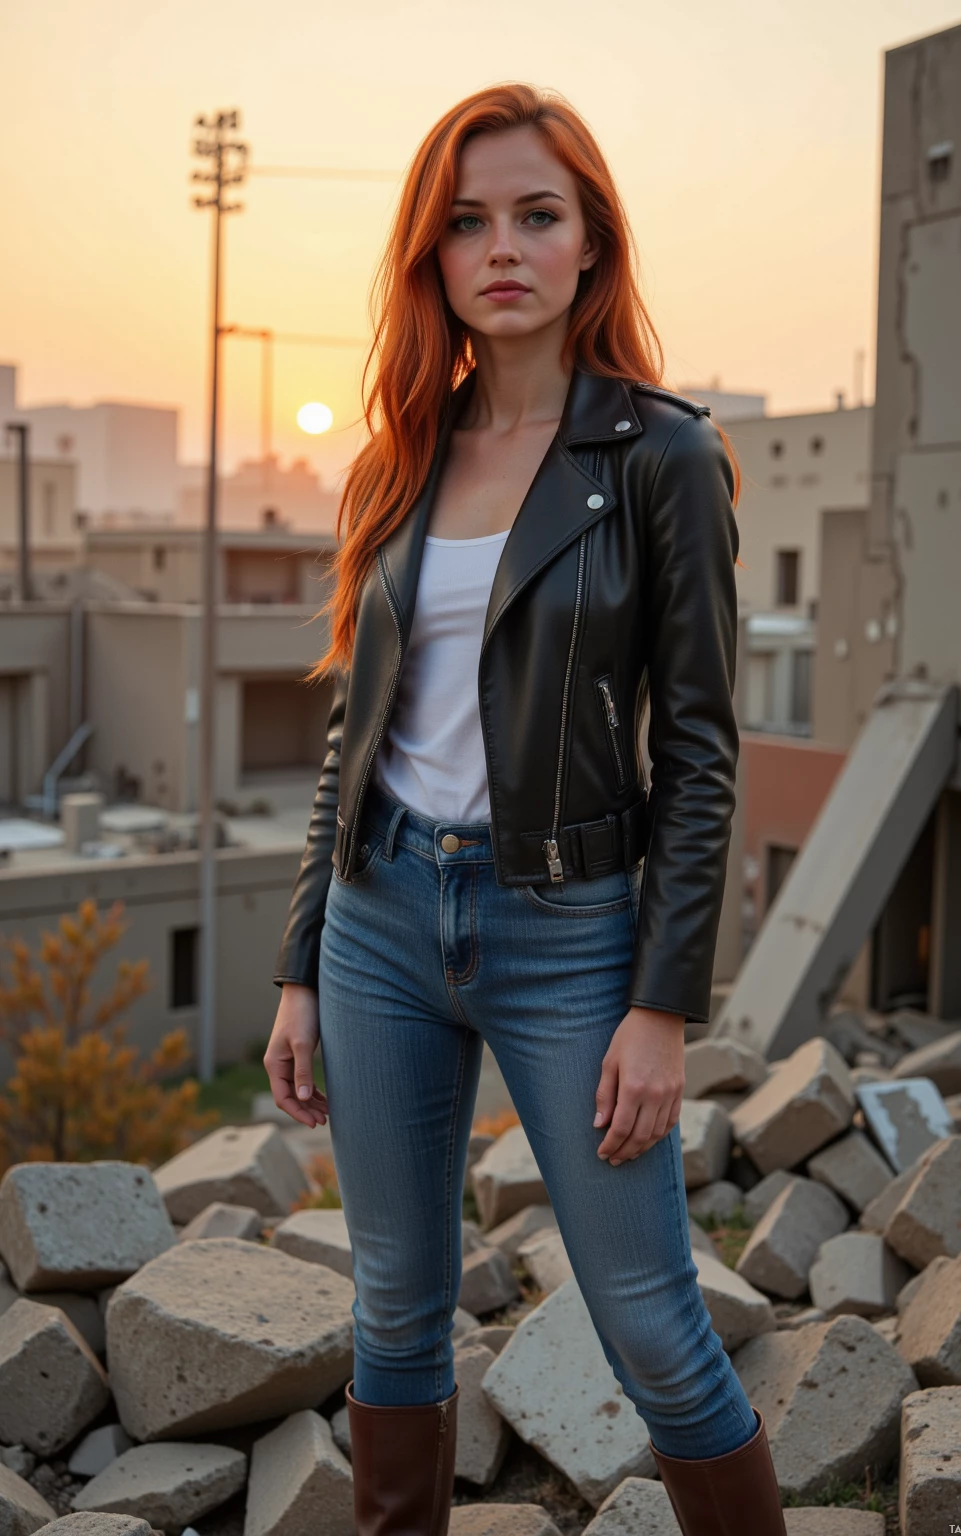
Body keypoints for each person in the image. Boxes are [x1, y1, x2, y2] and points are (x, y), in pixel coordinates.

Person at [266, 82, 786, 1536]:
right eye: (467, 221)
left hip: (571, 932)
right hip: (378, 921)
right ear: (430, 255)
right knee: (394, 1304)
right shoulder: (398, 453)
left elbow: (700, 752)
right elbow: (352, 733)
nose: (502, 248)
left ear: (590, 242)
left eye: (537, 215)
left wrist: (661, 1004)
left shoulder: (665, 458)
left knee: (649, 1319)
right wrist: (302, 963)